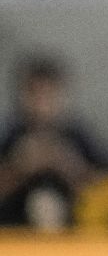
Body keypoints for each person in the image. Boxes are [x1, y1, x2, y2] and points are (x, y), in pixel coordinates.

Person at [0, 56, 99, 230]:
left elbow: (103, 194)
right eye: (34, 93)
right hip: (16, 230)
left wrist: (66, 165)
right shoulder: (12, 135)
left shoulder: (77, 136)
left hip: (73, 230)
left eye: (48, 94)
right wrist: (20, 166)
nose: (41, 103)